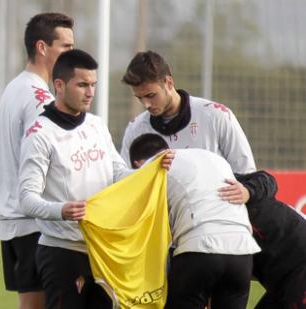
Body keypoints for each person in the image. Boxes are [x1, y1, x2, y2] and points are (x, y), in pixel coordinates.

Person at [18, 49, 145, 309]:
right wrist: (61, 210)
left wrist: (150, 172)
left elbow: (118, 174)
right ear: (59, 85)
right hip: (62, 252)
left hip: (102, 249)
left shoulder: (96, 125)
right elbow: (26, 199)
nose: (90, 92)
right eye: (83, 84)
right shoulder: (40, 134)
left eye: (93, 85)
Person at [0, 12, 74, 309]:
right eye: (64, 47)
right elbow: (46, 158)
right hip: (36, 222)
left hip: (15, 219)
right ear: (42, 47)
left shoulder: (14, 88)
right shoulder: (40, 97)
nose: (71, 53)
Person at [129, 133, 261, 309]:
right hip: (242, 252)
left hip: (199, 247)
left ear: (138, 164)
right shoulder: (212, 158)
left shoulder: (156, 166)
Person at [119, 50, 255, 204]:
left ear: (169, 83)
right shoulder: (135, 129)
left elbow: (247, 174)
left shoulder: (217, 115)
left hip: (213, 216)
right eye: (139, 98)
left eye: (151, 95)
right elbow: (124, 184)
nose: (146, 104)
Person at [235, 171, 306, 309]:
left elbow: (268, 179)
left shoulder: (225, 180)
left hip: (299, 268)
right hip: (282, 280)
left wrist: (248, 191)